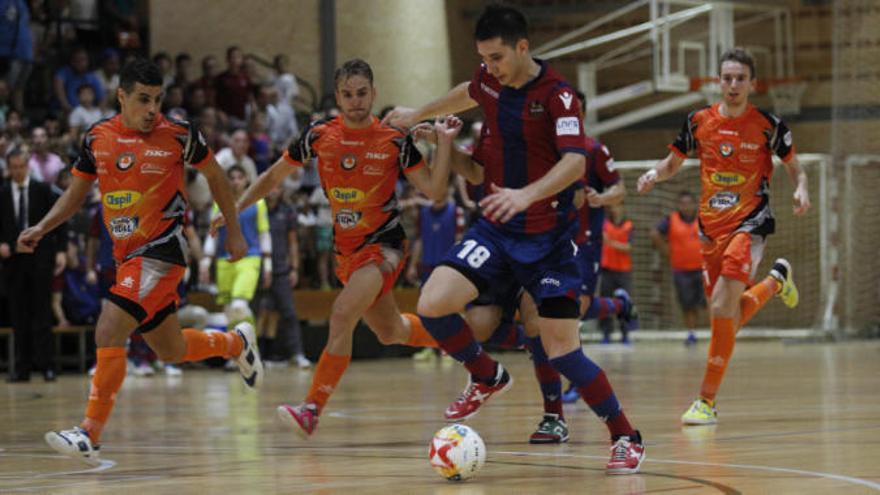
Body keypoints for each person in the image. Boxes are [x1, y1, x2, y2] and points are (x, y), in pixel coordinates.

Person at [382, 4, 645, 474]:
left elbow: (574, 165)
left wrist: (526, 195)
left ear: (523, 48)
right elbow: (470, 113)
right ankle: (486, 375)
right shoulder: (489, 84)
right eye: (484, 58)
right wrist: (426, 125)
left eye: (498, 57)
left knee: (563, 350)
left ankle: (625, 435)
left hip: (549, 242)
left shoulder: (559, 96)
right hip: (498, 232)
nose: (491, 69)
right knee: (434, 301)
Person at [20, 58, 263, 465]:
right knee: (171, 348)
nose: (153, 109)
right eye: (143, 100)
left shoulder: (180, 134)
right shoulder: (96, 137)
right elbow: (76, 193)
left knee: (108, 328)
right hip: (126, 256)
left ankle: (89, 434)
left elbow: (217, 177)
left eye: (158, 100)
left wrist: (235, 230)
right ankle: (236, 342)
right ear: (122, 96)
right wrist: (42, 227)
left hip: (162, 252)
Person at [213, 58, 460, 438]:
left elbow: (434, 190)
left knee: (342, 313)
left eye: (362, 93)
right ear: (338, 97)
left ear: (373, 93)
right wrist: (233, 211)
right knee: (391, 331)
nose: (356, 101)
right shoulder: (318, 136)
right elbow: (271, 178)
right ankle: (465, 341)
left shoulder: (394, 141)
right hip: (347, 254)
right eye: (348, 94)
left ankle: (311, 409)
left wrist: (444, 143)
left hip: (385, 246)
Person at [637, 47, 810, 425]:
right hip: (709, 228)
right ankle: (775, 282)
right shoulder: (699, 121)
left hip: (751, 222)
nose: (733, 84)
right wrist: (653, 174)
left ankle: (706, 402)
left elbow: (796, 168)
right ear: (719, 81)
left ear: (752, 83)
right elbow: (672, 163)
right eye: (727, 78)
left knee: (719, 309)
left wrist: (801, 189)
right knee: (726, 314)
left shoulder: (769, 125)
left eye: (740, 78)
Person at [0, 149, 66, 382]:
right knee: (19, 316)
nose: (17, 171)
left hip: (40, 259)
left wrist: (61, 251)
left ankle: (47, 365)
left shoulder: (42, 189)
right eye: (13, 167)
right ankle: (22, 368)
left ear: (27, 166)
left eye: (21, 166)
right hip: (13, 263)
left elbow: (60, 220)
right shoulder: (3, 193)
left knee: (42, 314)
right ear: (9, 169)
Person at [200, 165, 271, 336]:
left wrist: (268, 264)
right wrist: (205, 261)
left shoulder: (258, 203)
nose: (236, 181)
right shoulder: (220, 204)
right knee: (228, 309)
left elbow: (264, 234)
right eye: (232, 178)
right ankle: (237, 352)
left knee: (239, 305)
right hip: (224, 259)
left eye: (240, 177)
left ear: (247, 180)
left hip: (250, 258)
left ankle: (251, 347)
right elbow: (213, 234)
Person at [257, 184, 309, 368]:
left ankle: (297, 354)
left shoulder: (287, 212)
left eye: (277, 187)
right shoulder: (257, 209)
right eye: (271, 187)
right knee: (260, 312)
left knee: (288, 313)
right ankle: (257, 357)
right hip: (258, 269)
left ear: (281, 191)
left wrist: (294, 268)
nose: (272, 190)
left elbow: (292, 242)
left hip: (281, 270)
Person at [651, 191, 705, 345]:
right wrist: (666, 250)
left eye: (689, 203)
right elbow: (655, 234)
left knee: (706, 303)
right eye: (683, 203)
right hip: (681, 270)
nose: (686, 206)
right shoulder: (671, 220)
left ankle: (715, 331)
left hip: (702, 268)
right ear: (678, 205)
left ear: (694, 204)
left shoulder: (703, 218)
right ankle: (691, 333)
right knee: (687, 304)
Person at [598, 203, 634, 344]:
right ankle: (606, 334)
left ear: (622, 208)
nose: (614, 209)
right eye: (613, 206)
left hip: (623, 270)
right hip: (607, 269)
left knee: (624, 302)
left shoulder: (629, 225)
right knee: (605, 302)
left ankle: (625, 334)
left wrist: (611, 243)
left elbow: (628, 247)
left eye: (617, 206)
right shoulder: (604, 224)